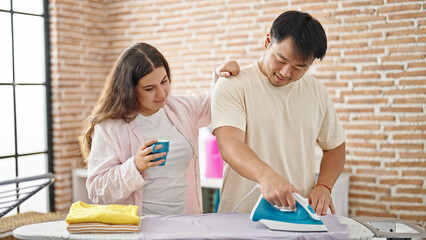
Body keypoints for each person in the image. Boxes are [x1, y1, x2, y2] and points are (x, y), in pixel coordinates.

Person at [80, 42, 239, 216]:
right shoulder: (110, 128)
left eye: (164, 82)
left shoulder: (181, 108)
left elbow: (216, 105)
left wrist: (219, 78)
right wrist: (135, 166)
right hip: (142, 228)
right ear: (129, 90)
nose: (162, 93)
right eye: (149, 89)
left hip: (185, 223)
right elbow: (97, 191)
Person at [211, 11, 346, 215]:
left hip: (296, 215)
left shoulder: (316, 91)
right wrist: (265, 175)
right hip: (240, 217)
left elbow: (335, 147)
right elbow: (229, 145)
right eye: (280, 59)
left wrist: (324, 186)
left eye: (299, 67)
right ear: (268, 42)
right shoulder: (234, 84)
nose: (285, 72)